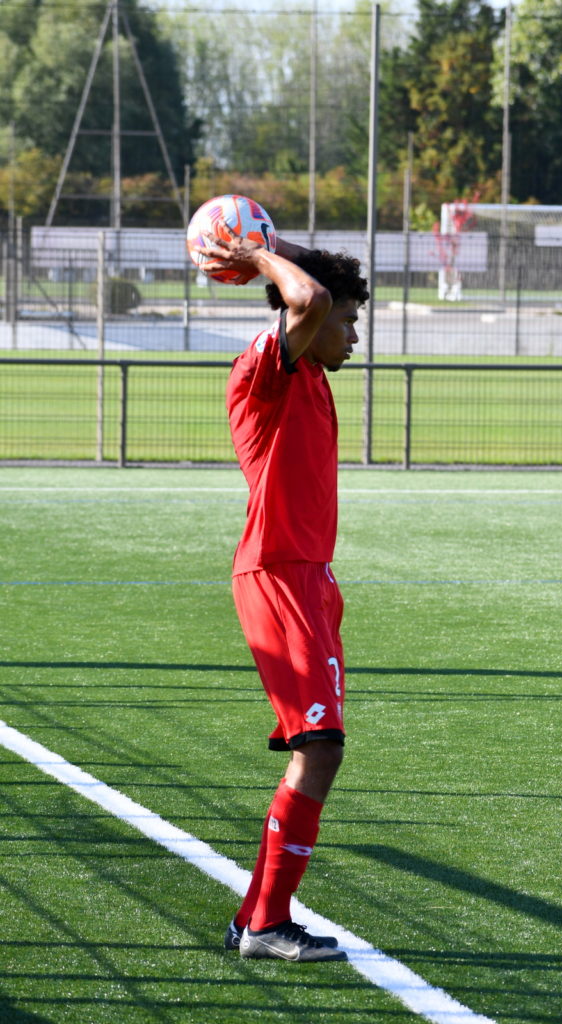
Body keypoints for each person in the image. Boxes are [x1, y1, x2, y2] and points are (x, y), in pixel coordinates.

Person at [199, 226, 369, 962]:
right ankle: (267, 924)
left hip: (311, 581)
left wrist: (269, 245)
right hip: (277, 575)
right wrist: (258, 255)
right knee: (319, 747)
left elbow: (316, 294)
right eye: (348, 320)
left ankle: (257, 921)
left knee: (319, 748)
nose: (354, 334)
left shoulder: (312, 377)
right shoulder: (263, 371)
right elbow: (308, 297)